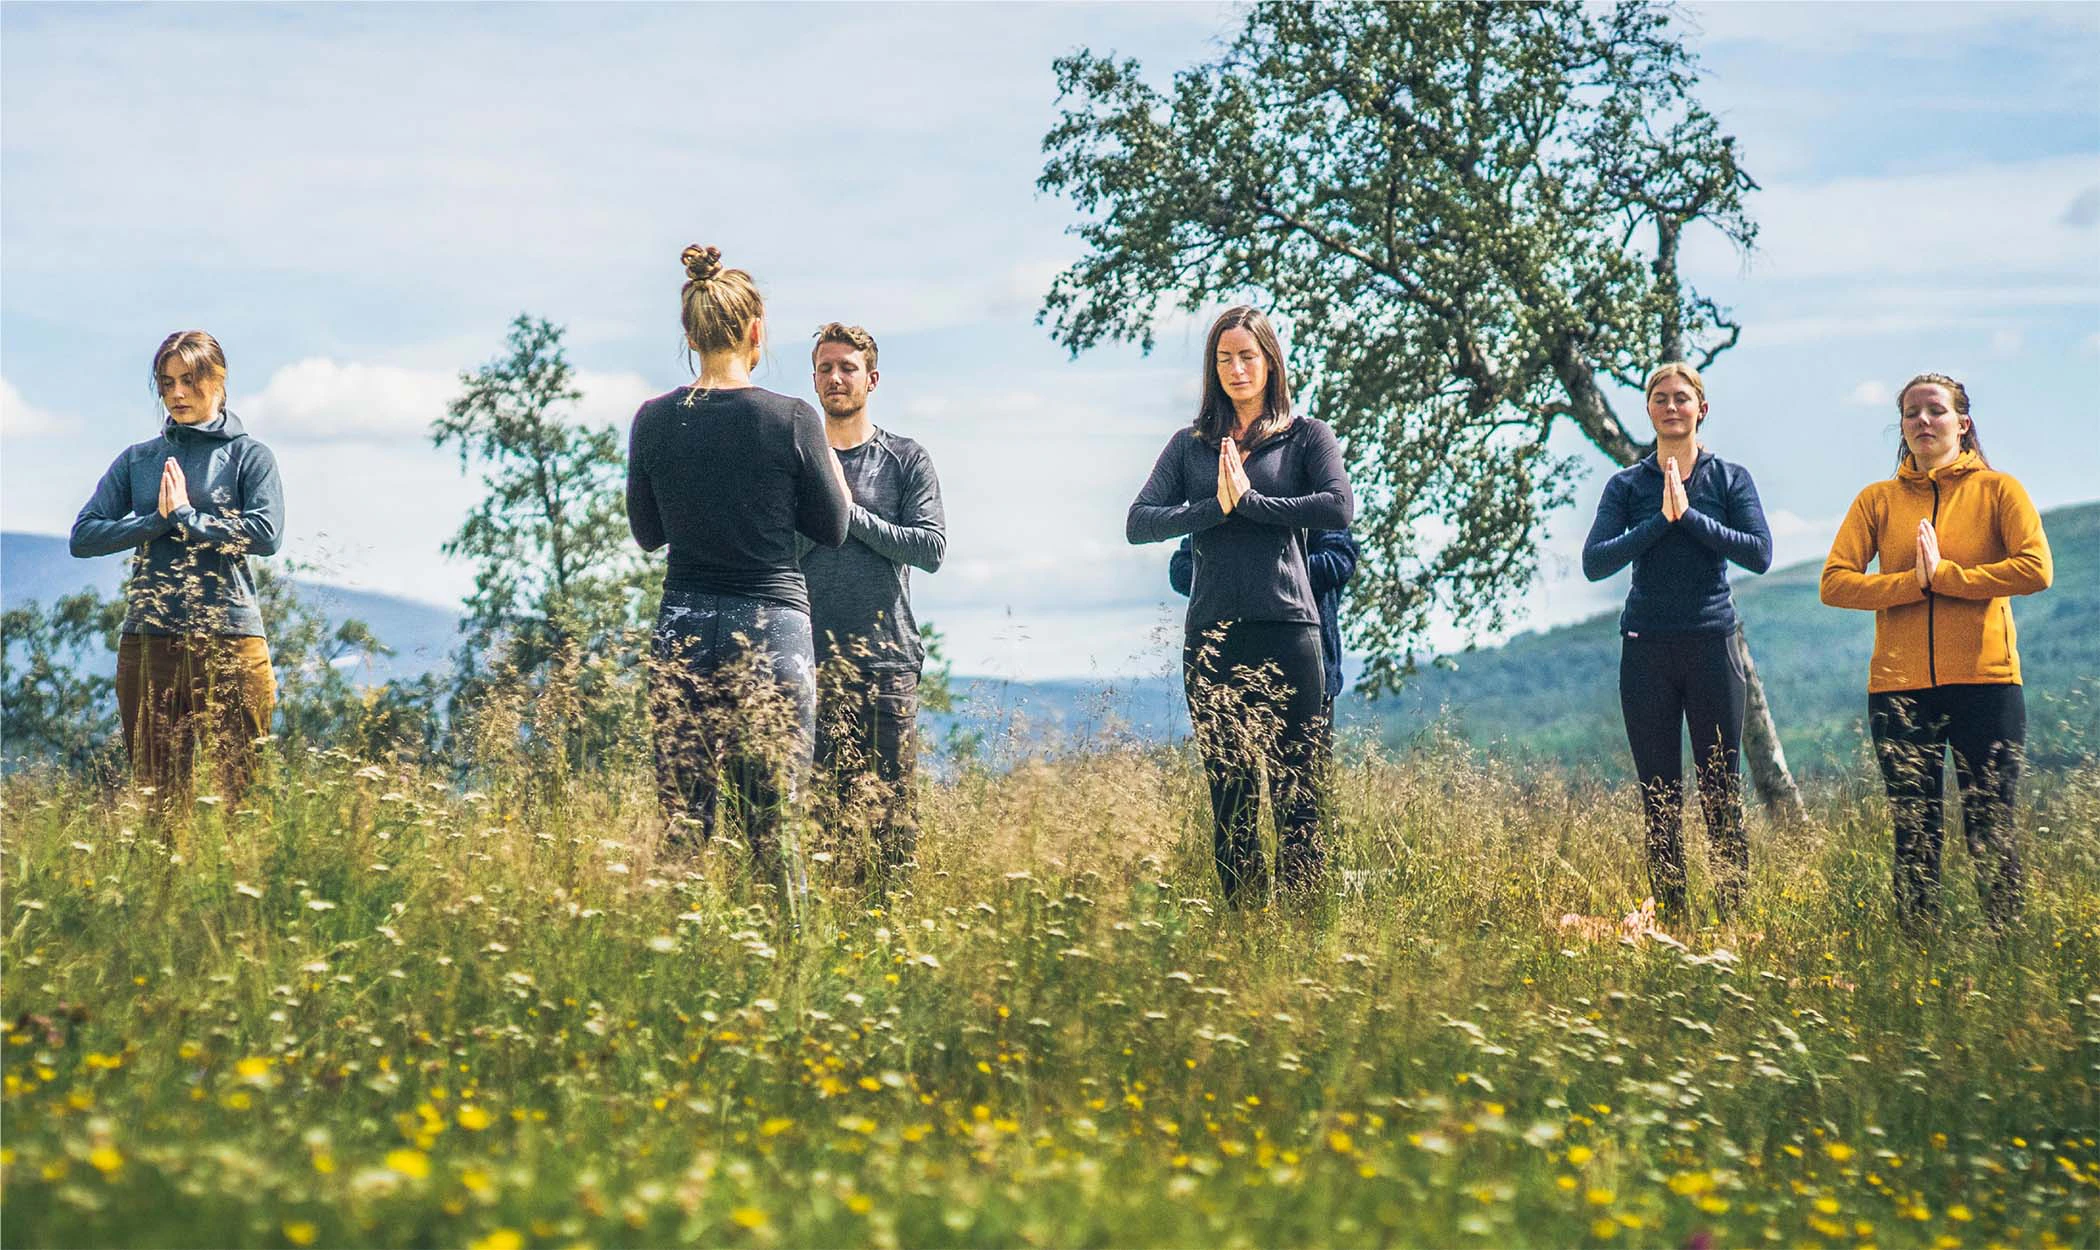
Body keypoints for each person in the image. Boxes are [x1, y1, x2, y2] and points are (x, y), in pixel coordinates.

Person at [627, 245, 852, 914]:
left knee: (684, 827)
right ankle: (786, 972)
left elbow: (647, 533)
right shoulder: (790, 418)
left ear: (691, 335)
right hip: (772, 629)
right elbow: (833, 526)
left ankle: (677, 970)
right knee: (773, 830)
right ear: (756, 333)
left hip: (685, 628)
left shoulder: (654, 419)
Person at [1128, 306, 1354, 906]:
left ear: (1270, 362)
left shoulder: (1307, 436)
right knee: (1230, 799)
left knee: (1299, 797)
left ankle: (1305, 941)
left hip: (1289, 631)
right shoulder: (1190, 446)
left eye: (1247, 356)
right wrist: (1214, 509)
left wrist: (1251, 502)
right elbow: (1139, 522)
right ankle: (1247, 935)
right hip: (1214, 636)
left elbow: (1337, 509)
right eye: (1224, 358)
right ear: (1212, 367)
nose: (1236, 368)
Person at [1820, 372, 2050, 932]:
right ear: (1901, 427)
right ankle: (1918, 958)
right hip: (1898, 690)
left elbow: (2036, 568)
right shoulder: (1876, 501)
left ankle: (2008, 951)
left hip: (1987, 684)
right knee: (1914, 830)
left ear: (1962, 423)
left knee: (1989, 824)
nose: (1924, 421)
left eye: (1936, 411)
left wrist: (1948, 576)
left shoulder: (2000, 490)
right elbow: (1834, 582)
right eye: (1912, 413)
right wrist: (1911, 584)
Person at [1581, 361, 1772, 924]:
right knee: (1659, 797)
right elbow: (1595, 562)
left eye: (1682, 398)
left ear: (1700, 410)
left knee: (1720, 793)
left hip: (1713, 645)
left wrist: (1689, 517)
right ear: (1649, 410)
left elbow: (1759, 554)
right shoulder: (1627, 485)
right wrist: (1659, 522)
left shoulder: (1729, 479)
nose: (1671, 406)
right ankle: (1673, 921)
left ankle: (1733, 923)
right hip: (1646, 651)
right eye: (1660, 398)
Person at [71, 330, 284, 804]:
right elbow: (83, 536)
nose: (178, 394)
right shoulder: (139, 459)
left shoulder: (251, 456)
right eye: (167, 383)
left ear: (218, 380)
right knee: (159, 807)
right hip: (148, 644)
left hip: (231, 640)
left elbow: (267, 534)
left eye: (189, 380)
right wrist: (155, 522)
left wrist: (189, 519)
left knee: (241, 802)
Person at [800, 322, 945, 878]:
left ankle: (892, 933)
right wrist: (824, 502)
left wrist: (849, 512)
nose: (836, 378)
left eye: (847, 368)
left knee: (892, 823)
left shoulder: (906, 459)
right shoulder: (799, 463)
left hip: (887, 662)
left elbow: (930, 548)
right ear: (814, 380)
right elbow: (778, 553)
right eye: (825, 368)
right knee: (818, 821)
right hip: (807, 661)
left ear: (872, 379)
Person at [1172, 525, 1358, 749]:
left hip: (1306, 670)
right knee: (1233, 779)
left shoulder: (1315, 508)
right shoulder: (1228, 512)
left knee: (1298, 780)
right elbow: (1180, 568)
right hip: (1229, 672)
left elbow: (1338, 563)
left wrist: (1261, 571)